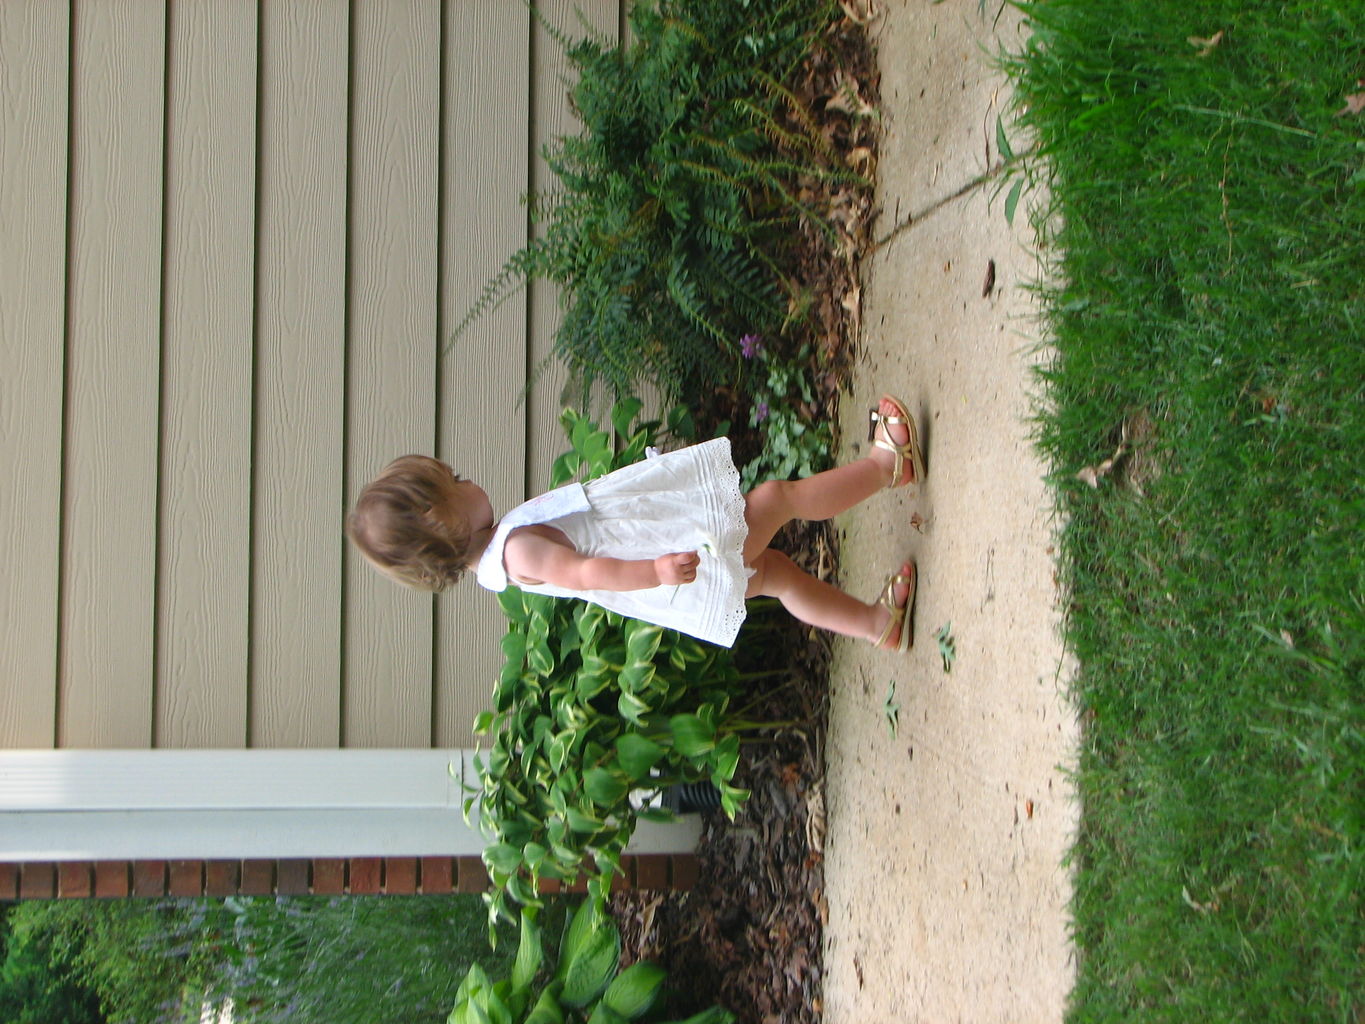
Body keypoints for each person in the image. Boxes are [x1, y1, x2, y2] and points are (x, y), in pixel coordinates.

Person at [348, 396, 924, 651]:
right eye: (455, 480)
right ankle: (886, 466)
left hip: (673, 565)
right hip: (672, 561)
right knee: (777, 498)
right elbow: (587, 573)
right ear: (438, 519)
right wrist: (655, 569)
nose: (468, 479)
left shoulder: (501, 553)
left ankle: (878, 624)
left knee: (774, 573)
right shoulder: (516, 551)